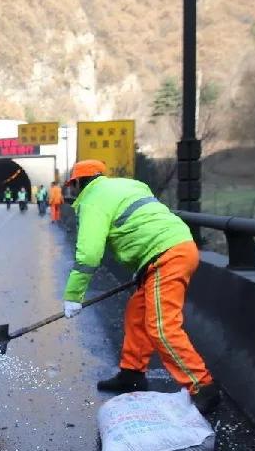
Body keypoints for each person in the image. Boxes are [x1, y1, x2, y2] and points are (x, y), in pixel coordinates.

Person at [61, 159, 220, 414]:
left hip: (166, 255)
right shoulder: (128, 186)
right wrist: (142, 268)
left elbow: (89, 255)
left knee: (162, 327)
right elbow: (141, 225)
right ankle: (131, 374)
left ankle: (202, 386)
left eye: (75, 186)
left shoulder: (92, 200)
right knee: (137, 313)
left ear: (79, 183)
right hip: (171, 249)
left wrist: (73, 295)